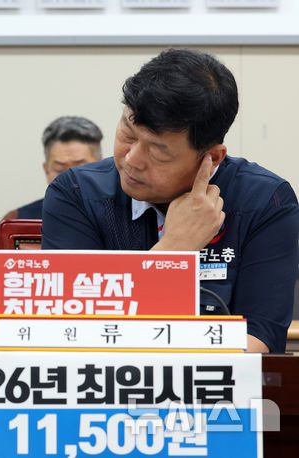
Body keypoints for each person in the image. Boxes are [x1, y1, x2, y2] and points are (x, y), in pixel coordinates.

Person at [42, 49, 299, 353]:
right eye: (128, 133)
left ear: (212, 157)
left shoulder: (265, 202)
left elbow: (260, 338)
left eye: (158, 151)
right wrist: (173, 250)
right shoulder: (77, 193)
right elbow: (72, 332)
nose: (131, 159)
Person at [0, 116, 103, 312]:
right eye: (60, 170)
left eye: (79, 169)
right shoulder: (17, 221)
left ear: (102, 167)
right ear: (46, 170)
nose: (70, 180)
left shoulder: (127, 215)